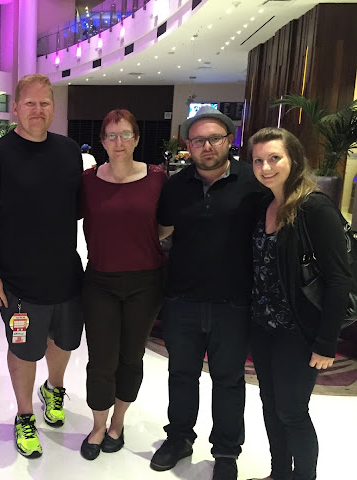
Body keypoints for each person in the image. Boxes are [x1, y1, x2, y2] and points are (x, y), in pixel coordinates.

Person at [0, 74, 84, 459]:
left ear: (54, 107)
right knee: (24, 350)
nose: (37, 110)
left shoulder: (69, 152)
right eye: (30, 103)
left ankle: (54, 389)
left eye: (45, 103)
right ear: (15, 108)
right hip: (17, 280)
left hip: (65, 274)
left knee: (64, 342)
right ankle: (24, 415)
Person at [152, 106, 265, 480]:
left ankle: (227, 453)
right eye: (199, 140)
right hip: (182, 299)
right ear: (188, 145)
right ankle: (179, 438)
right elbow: (161, 231)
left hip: (234, 301)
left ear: (229, 140)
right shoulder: (175, 186)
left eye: (215, 138)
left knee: (228, 381)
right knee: (181, 374)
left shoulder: (253, 183)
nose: (207, 146)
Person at [247, 127, 350, 480]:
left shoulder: (314, 208)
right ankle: (279, 473)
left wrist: (326, 342)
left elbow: (339, 280)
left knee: (292, 411)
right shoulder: (264, 205)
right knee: (271, 406)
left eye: (274, 158)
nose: (266, 167)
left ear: (294, 159)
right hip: (264, 327)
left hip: (299, 331)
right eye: (258, 160)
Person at [78, 109, 166, 461]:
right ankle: (98, 425)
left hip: (146, 282)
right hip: (100, 280)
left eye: (126, 134)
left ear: (136, 138)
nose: (119, 142)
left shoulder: (157, 178)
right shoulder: (88, 181)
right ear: (102, 141)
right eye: (111, 135)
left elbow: (168, 223)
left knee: (131, 356)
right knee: (101, 360)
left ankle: (118, 422)